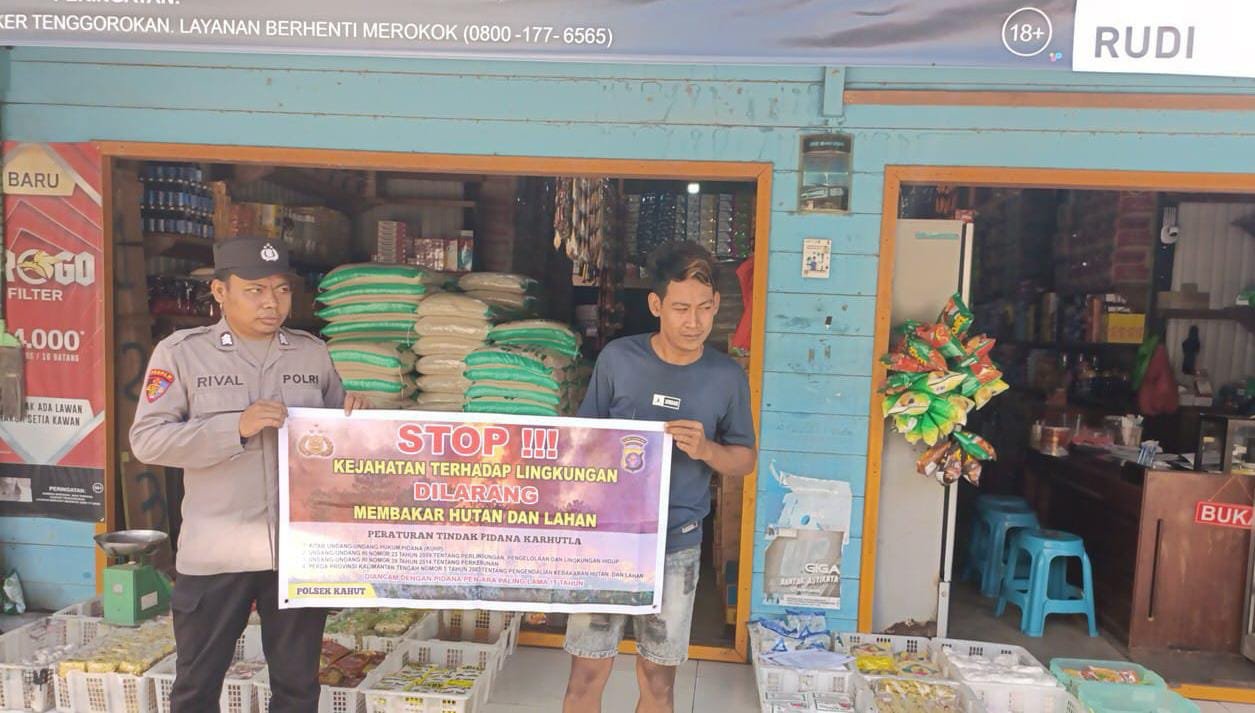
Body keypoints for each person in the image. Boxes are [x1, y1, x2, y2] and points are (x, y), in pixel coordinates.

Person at [130, 237, 368, 712]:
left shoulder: (311, 354)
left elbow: (334, 449)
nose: (271, 303)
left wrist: (355, 420)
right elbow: (148, 440)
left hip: (297, 553)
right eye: (255, 290)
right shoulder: (182, 354)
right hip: (218, 552)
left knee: (298, 689)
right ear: (220, 291)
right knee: (197, 687)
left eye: (281, 290)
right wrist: (234, 427)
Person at [563, 242, 758, 713]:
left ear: (717, 305)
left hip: (677, 543)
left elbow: (744, 460)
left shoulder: (726, 377)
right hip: (608, 541)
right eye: (681, 308)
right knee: (587, 672)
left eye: (704, 308)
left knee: (659, 680)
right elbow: (583, 440)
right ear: (656, 305)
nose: (694, 322)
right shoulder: (618, 359)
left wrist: (707, 449)